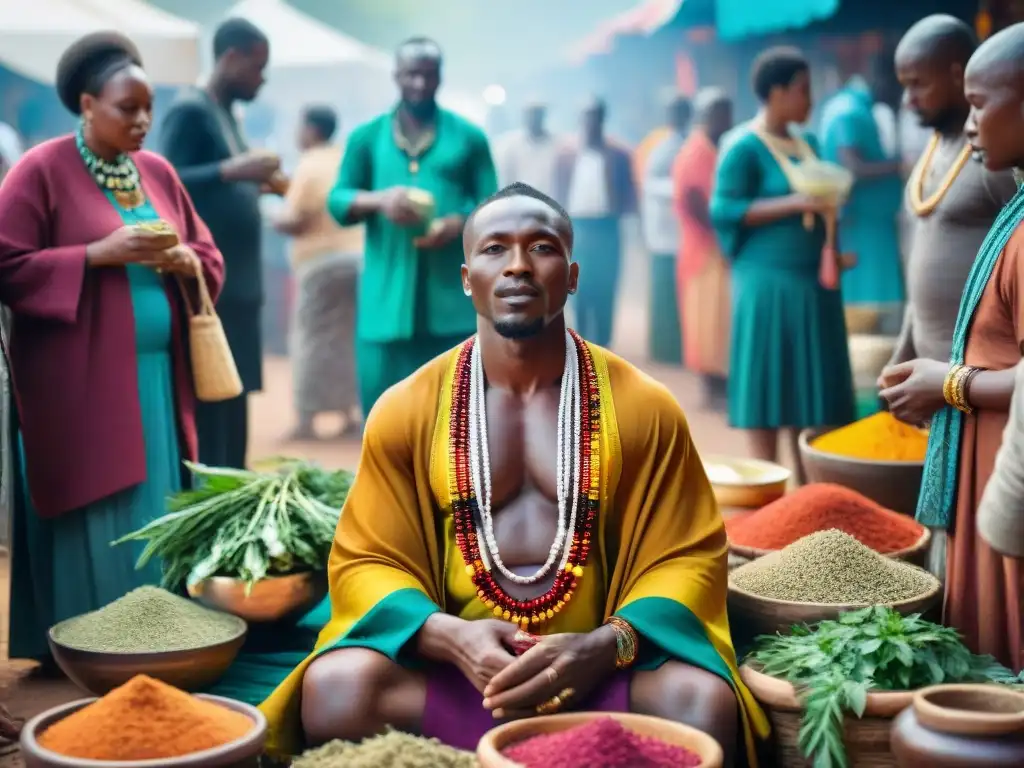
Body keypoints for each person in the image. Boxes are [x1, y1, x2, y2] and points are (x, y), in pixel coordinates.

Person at [258, 182, 767, 766]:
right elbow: (368, 558)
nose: (519, 266)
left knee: (702, 703)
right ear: (467, 277)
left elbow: (687, 556)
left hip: (597, 673)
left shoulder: (644, 406)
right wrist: (449, 636)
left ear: (572, 276)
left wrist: (607, 644)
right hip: (459, 672)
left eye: (541, 248)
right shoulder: (408, 408)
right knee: (337, 689)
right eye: (495, 249)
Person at [0, 32, 224, 665]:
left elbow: (208, 254)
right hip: (77, 382)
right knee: (96, 502)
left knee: (154, 500)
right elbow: (8, 263)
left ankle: (156, 638)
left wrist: (184, 260)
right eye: (128, 108)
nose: (143, 121)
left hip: (156, 379)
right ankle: (92, 645)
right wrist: (98, 255)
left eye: (148, 107)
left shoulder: (157, 172)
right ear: (87, 104)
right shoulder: (39, 170)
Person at [879, 21, 1024, 671]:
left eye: (979, 104)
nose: (969, 124)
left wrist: (951, 384)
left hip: (1001, 456)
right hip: (979, 445)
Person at [327, 37, 497, 413]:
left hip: (452, 305)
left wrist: (457, 223)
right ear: (396, 76)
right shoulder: (366, 138)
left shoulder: (469, 138)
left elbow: (494, 208)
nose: (419, 84)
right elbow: (337, 200)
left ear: (440, 77)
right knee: (384, 415)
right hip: (384, 304)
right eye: (411, 75)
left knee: (456, 417)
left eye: (428, 75)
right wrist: (379, 200)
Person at [711, 47, 855, 479]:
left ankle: (812, 491)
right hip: (767, 284)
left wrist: (833, 250)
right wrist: (793, 203)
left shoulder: (808, 141)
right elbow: (724, 210)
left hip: (814, 282)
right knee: (769, 386)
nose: (810, 100)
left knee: (813, 390)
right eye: (802, 90)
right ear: (775, 93)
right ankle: (767, 491)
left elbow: (826, 204)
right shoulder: (743, 148)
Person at [160, 18, 276, 469]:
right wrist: (234, 171)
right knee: (215, 394)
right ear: (230, 58)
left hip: (240, 285)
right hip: (212, 287)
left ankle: (234, 480)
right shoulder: (191, 110)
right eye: (257, 66)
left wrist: (254, 183)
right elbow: (167, 181)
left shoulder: (226, 113)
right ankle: (212, 485)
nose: (261, 78)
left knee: (237, 389)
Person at [274, 105, 364, 440]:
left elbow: (294, 219)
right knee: (344, 339)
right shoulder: (342, 158)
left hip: (320, 263)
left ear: (311, 129)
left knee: (310, 338)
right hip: (355, 258)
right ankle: (348, 414)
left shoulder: (309, 164)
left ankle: (306, 419)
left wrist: (273, 216)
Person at [820, 61, 905, 333]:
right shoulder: (850, 112)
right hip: (863, 226)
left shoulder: (852, 107)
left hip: (869, 223)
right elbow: (851, 166)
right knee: (867, 314)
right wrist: (899, 166)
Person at [553, 98, 636, 348]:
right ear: (580, 120)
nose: (591, 122)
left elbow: (630, 194)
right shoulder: (566, 154)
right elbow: (556, 192)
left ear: (603, 119)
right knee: (578, 286)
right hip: (577, 228)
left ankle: (603, 343)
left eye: (596, 117)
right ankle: (581, 343)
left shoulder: (619, 154)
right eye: (586, 116)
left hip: (607, 228)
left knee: (606, 286)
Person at [674, 88, 734, 410]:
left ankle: (719, 384)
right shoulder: (696, 153)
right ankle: (712, 388)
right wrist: (722, 229)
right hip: (703, 249)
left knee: (717, 319)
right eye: (722, 114)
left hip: (714, 247)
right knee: (705, 320)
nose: (728, 121)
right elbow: (695, 202)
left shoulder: (713, 148)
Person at [641, 93, 691, 366]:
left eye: (682, 112)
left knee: (681, 292)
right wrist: (680, 190)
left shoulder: (690, 143)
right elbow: (650, 184)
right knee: (663, 293)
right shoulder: (658, 146)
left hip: (684, 231)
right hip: (662, 230)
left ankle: (680, 348)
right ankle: (663, 349)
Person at [492, 101, 559, 197]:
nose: (534, 119)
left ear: (543, 116)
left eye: (537, 114)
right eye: (530, 114)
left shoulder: (555, 144)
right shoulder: (510, 145)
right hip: (518, 201)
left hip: (549, 201)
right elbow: (505, 177)